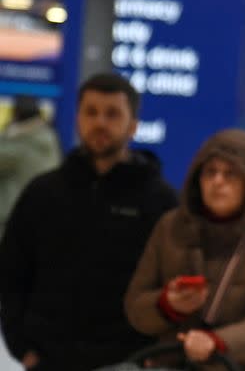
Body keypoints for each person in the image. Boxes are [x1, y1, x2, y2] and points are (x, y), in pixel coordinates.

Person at [0, 73, 177, 370]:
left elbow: (171, 285)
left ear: (133, 125)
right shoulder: (43, 193)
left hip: (128, 361)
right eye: (91, 112)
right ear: (77, 118)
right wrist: (24, 349)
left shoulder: (160, 201)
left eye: (112, 114)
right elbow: (11, 276)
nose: (100, 123)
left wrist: (155, 355)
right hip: (50, 361)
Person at [124, 129, 245, 371]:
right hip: (171, 363)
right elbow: (135, 308)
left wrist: (218, 342)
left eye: (231, 173)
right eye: (210, 172)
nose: (218, 181)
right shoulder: (171, 226)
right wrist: (167, 305)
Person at [0, 95, 61, 235]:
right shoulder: (48, 138)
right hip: (39, 217)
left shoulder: (21, 143)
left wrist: (7, 132)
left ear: (17, 115)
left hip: (12, 218)